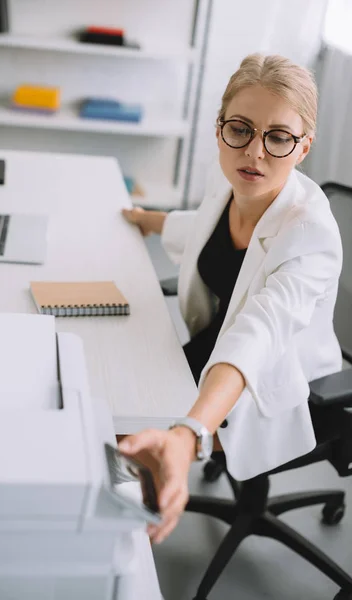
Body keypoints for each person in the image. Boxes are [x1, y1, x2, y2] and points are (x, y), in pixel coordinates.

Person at [120, 54, 343, 545]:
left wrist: (189, 434)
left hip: (274, 376)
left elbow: (257, 333)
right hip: (215, 342)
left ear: (303, 147)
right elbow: (195, 226)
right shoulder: (229, 183)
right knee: (120, 396)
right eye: (240, 129)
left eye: (279, 137)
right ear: (220, 129)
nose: (255, 153)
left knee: (124, 445)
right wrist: (144, 218)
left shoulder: (309, 232)